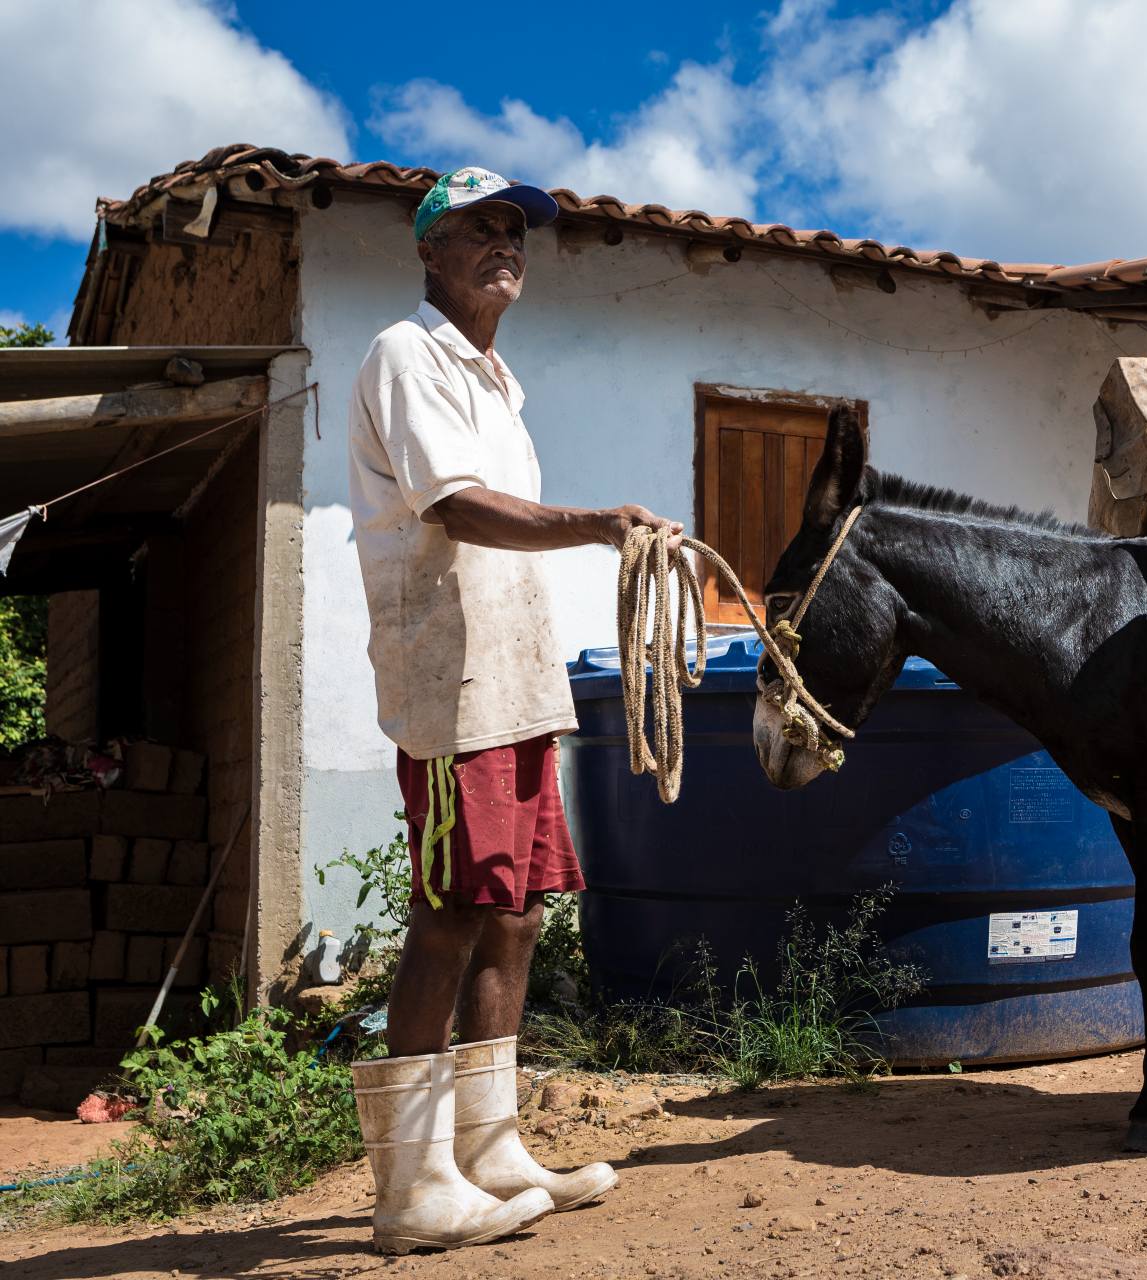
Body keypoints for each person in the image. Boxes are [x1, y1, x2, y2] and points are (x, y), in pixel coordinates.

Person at [343, 166, 682, 1254]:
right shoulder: (407, 355)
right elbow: (458, 507)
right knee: (452, 907)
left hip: (516, 676)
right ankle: (410, 1189)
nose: (504, 243)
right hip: (451, 681)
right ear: (429, 251)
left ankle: (489, 1152)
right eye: (478, 229)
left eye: (514, 230)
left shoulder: (498, 383)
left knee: (520, 911)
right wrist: (598, 523)